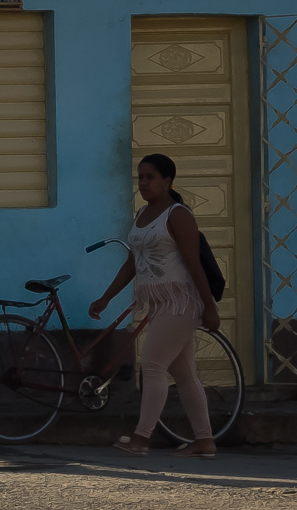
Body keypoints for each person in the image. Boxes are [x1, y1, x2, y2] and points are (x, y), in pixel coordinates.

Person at [90, 153, 221, 460]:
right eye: (141, 177)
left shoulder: (179, 215)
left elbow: (193, 262)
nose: (144, 183)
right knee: (185, 375)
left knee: (152, 366)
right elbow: (132, 263)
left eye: (150, 177)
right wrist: (106, 296)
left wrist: (208, 306)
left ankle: (140, 438)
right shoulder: (141, 215)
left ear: (167, 181)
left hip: (181, 301)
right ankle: (204, 441)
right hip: (159, 303)